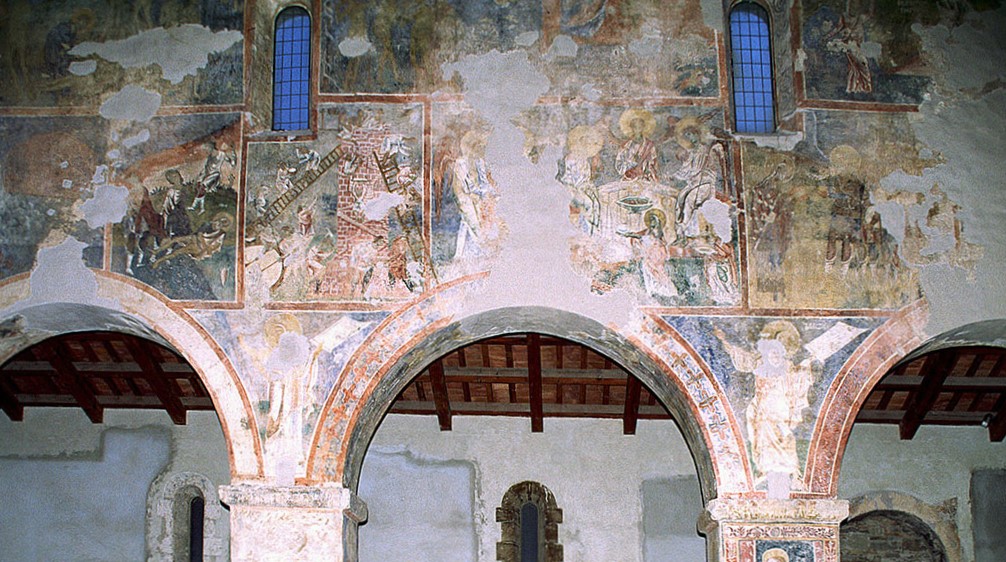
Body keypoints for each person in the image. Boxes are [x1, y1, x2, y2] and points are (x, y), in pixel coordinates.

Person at [714, 321, 814, 489]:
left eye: (780, 350)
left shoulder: (788, 367)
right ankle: (765, 469)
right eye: (773, 351)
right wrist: (724, 341)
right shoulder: (760, 363)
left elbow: (799, 377)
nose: (775, 355)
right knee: (759, 438)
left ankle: (794, 473)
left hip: (780, 408)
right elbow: (742, 358)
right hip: (761, 408)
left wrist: (809, 362)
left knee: (784, 438)